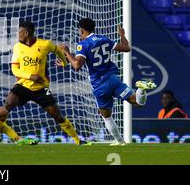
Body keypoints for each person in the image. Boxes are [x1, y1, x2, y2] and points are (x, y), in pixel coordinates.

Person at [59, 18, 157, 146]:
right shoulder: (103, 39)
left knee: (106, 116)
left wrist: (67, 52)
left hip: (100, 85)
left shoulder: (82, 45)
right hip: (113, 79)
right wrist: (122, 36)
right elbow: (126, 48)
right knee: (138, 103)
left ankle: (121, 142)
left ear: (81, 30)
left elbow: (77, 66)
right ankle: (141, 89)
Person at [0, 21, 87, 146]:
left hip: (41, 88)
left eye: (19, 32)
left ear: (26, 33)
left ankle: (77, 140)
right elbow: (15, 70)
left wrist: (64, 62)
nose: (17, 34)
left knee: (57, 115)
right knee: (7, 106)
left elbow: (58, 51)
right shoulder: (17, 47)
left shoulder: (45, 44)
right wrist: (30, 76)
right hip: (23, 85)